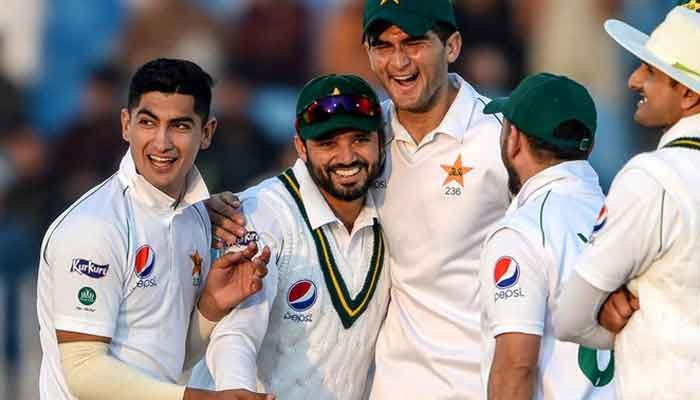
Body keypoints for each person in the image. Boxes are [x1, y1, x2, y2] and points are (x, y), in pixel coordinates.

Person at [206, 1, 510, 398]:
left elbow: (562, 224)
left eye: (414, 43)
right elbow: (237, 327)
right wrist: (213, 208)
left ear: (452, 46)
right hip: (392, 388)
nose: (399, 61)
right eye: (383, 45)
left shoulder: (504, 136)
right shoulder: (370, 120)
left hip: (478, 385)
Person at [36, 58, 273, 400]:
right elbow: (84, 372)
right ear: (126, 124)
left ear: (207, 133)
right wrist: (201, 399)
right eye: (148, 122)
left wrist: (211, 306)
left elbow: (169, 359)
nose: (162, 143)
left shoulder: (195, 218)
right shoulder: (93, 227)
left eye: (180, 126)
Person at [189, 73, 391, 399]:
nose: (347, 157)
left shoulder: (391, 211)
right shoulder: (258, 213)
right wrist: (236, 387)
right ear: (301, 147)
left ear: (380, 141)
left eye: (359, 139)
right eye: (327, 143)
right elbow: (236, 329)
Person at [553, 4, 700, 399]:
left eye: (650, 71)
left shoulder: (651, 179)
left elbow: (569, 316)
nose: (634, 80)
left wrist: (610, 317)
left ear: (688, 93)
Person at [478, 73, 615, 399]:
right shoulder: (620, 217)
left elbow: (515, 368)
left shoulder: (521, 233)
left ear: (513, 138)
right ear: (590, 145)